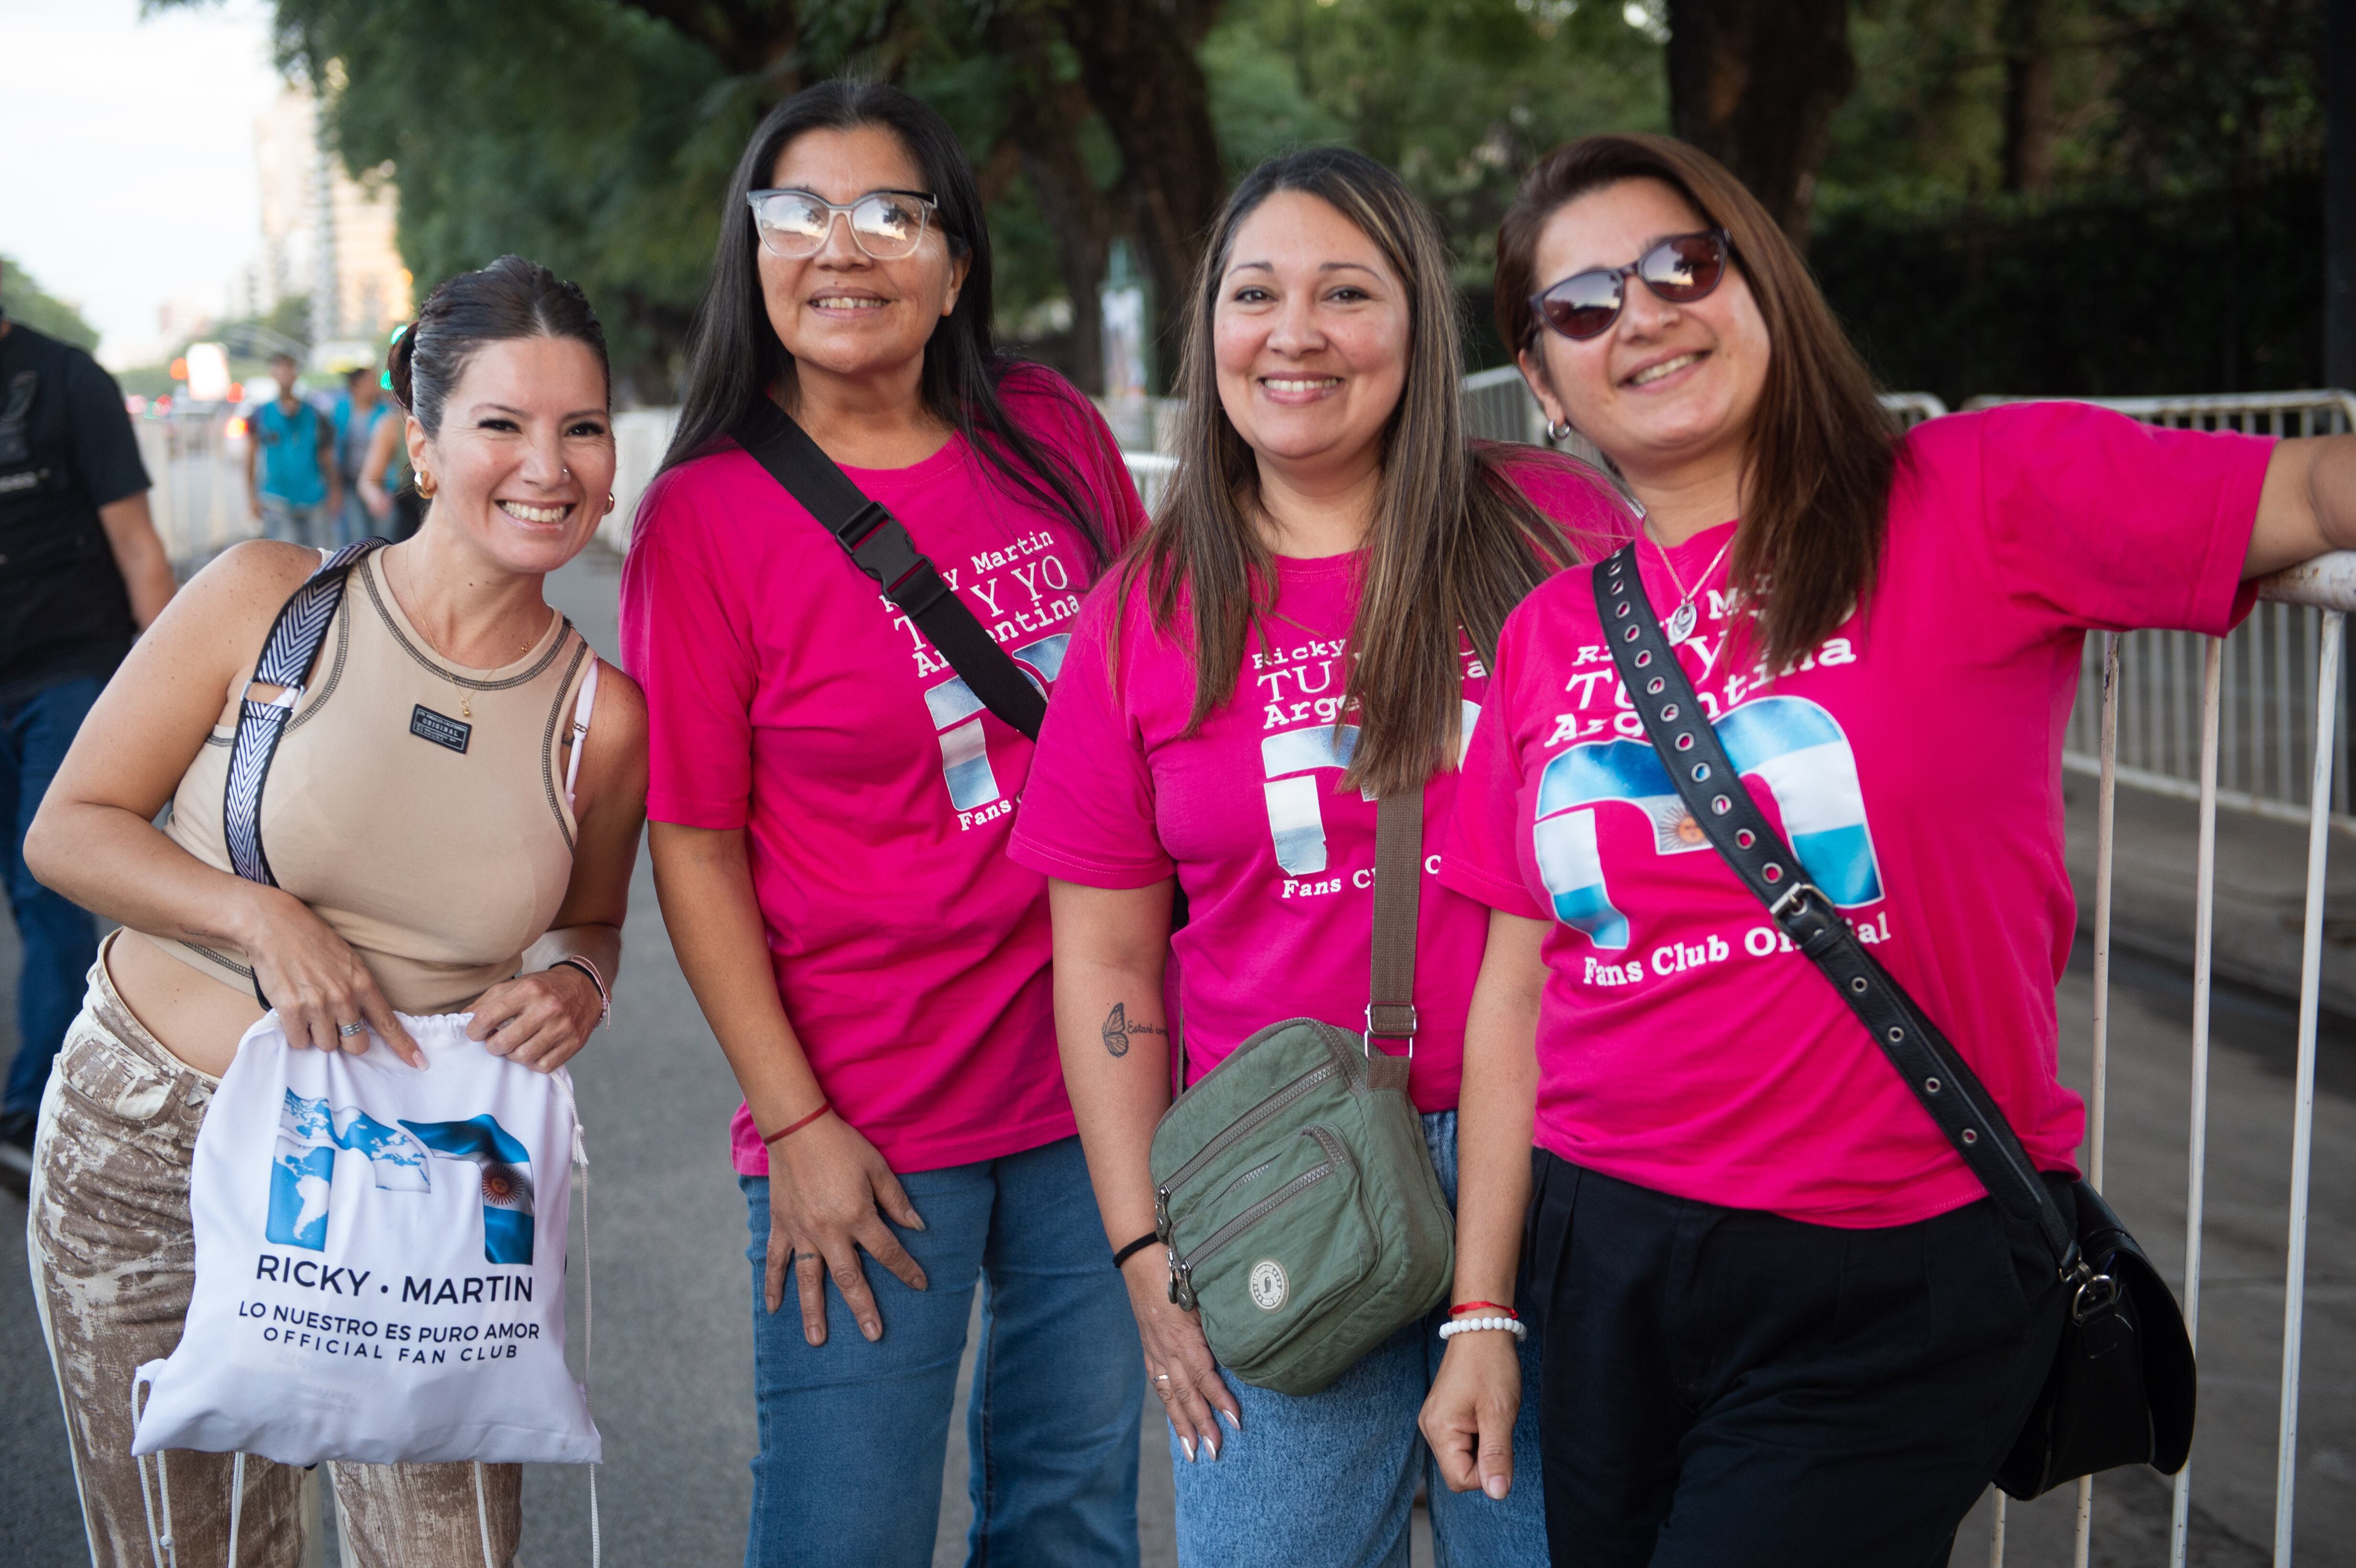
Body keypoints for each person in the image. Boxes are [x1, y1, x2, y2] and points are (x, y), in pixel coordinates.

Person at [1420, 131, 2356, 1567]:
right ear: (1542, 385)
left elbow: (2306, 498)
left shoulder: (1972, 494)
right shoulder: (1550, 630)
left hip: (1893, 1266)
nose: (1646, 312)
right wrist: (1483, 1310)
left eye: (1682, 263)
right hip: (1597, 1257)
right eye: (1584, 303)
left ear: (1761, 283)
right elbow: (1511, 989)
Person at [1007, 148, 1629, 1568]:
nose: (1292, 333)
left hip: (1560, 1157)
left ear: (1415, 325)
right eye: (1255, 294)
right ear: (1207, 331)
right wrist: (1143, 1255)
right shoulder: (1140, 615)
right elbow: (1103, 955)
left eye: (1345, 292)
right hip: (1274, 1182)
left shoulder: (1559, 534)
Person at [24, 255, 648, 1568]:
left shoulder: (604, 715)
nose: (550, 465)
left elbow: (593, 925)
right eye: (503, 424)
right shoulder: (269, 599)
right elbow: (69, 831)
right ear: (420, 445)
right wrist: (263, 922)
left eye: (581, 428)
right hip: (149, 1152)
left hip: (410, 1193)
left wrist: (580, 983)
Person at [618, 81, 1150, 1568]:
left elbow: (1160, 698)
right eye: (797, 209)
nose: (840, 246)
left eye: (887, 213)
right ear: (752, 250)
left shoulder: (1049, 431)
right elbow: (696, 840)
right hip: (870, 1114)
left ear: (954, 262)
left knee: (1072, 1516)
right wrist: (794, 1122)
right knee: (843, 1531)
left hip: (1097, 1087)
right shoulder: (708, 518)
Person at [0, 263, 178, 1196]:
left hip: (70, 678)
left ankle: (32, 1109)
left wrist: (181, 706)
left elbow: (142, 547)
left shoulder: (67, 381)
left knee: (49, 890)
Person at [246, 349, 339, 546]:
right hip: (276, 496)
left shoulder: (315, 415)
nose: (284, 376)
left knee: (319, 555)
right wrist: (252, 498)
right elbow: (250, 458)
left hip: (313, 495)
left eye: (288, 370)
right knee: (287, 553)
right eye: (279, 370)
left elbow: (327, 456)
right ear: (272, 375)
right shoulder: (261, 415)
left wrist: (335, 490)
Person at [333, 362, 394, 545]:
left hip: (381, 482)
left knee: (384, 531)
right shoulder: (341, 410)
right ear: (356, 385)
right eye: (370, 382)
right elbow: (333, 449)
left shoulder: (385, 411)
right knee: (357, 532)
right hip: (350, 480)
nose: (375, 386)